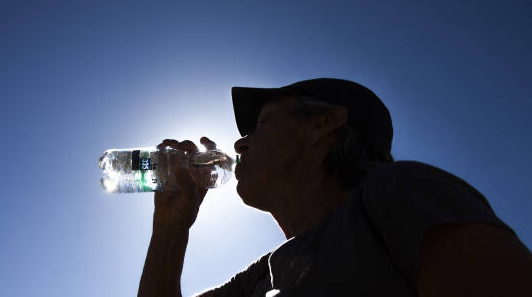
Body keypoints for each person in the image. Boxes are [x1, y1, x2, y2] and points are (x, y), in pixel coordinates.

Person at [137, 78, 532, 297]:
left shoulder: (398, 191)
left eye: (262, 124)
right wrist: (171, 230)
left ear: (322, 124)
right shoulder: (260, 276)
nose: (239, 144)